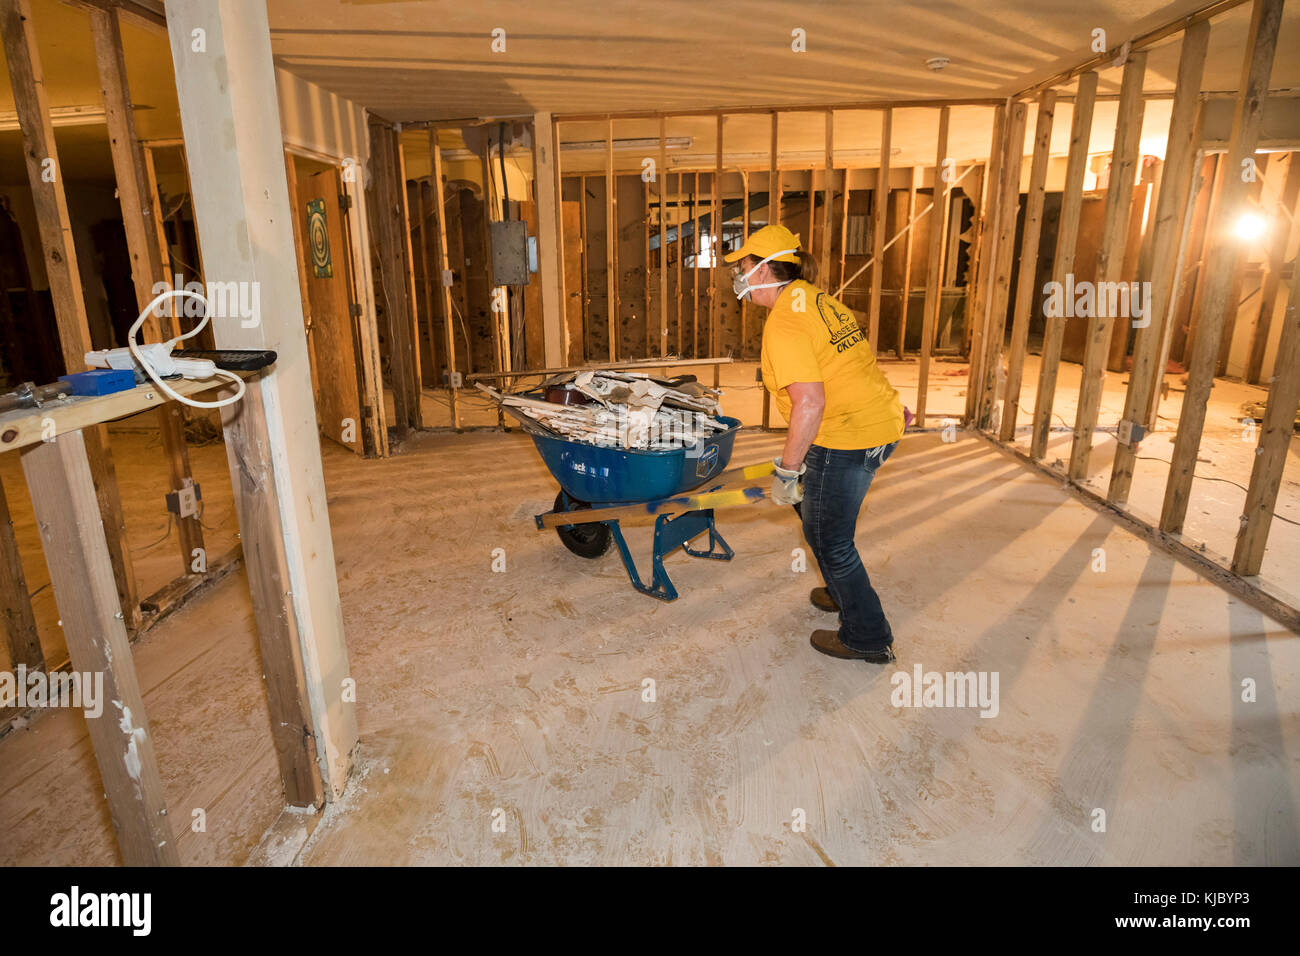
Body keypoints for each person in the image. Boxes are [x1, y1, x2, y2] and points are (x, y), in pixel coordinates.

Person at [725, 224, 907, 664]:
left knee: (829, 539)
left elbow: (809, 403)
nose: (740, 276)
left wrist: (788, 470)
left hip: (845, 437)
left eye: (745, 267)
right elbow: (851, 360)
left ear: (766, 270)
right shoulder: (818, 300)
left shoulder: (785, 322)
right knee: (821, 515)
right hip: (877, 425)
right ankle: (840, 591)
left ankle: (866, 635)